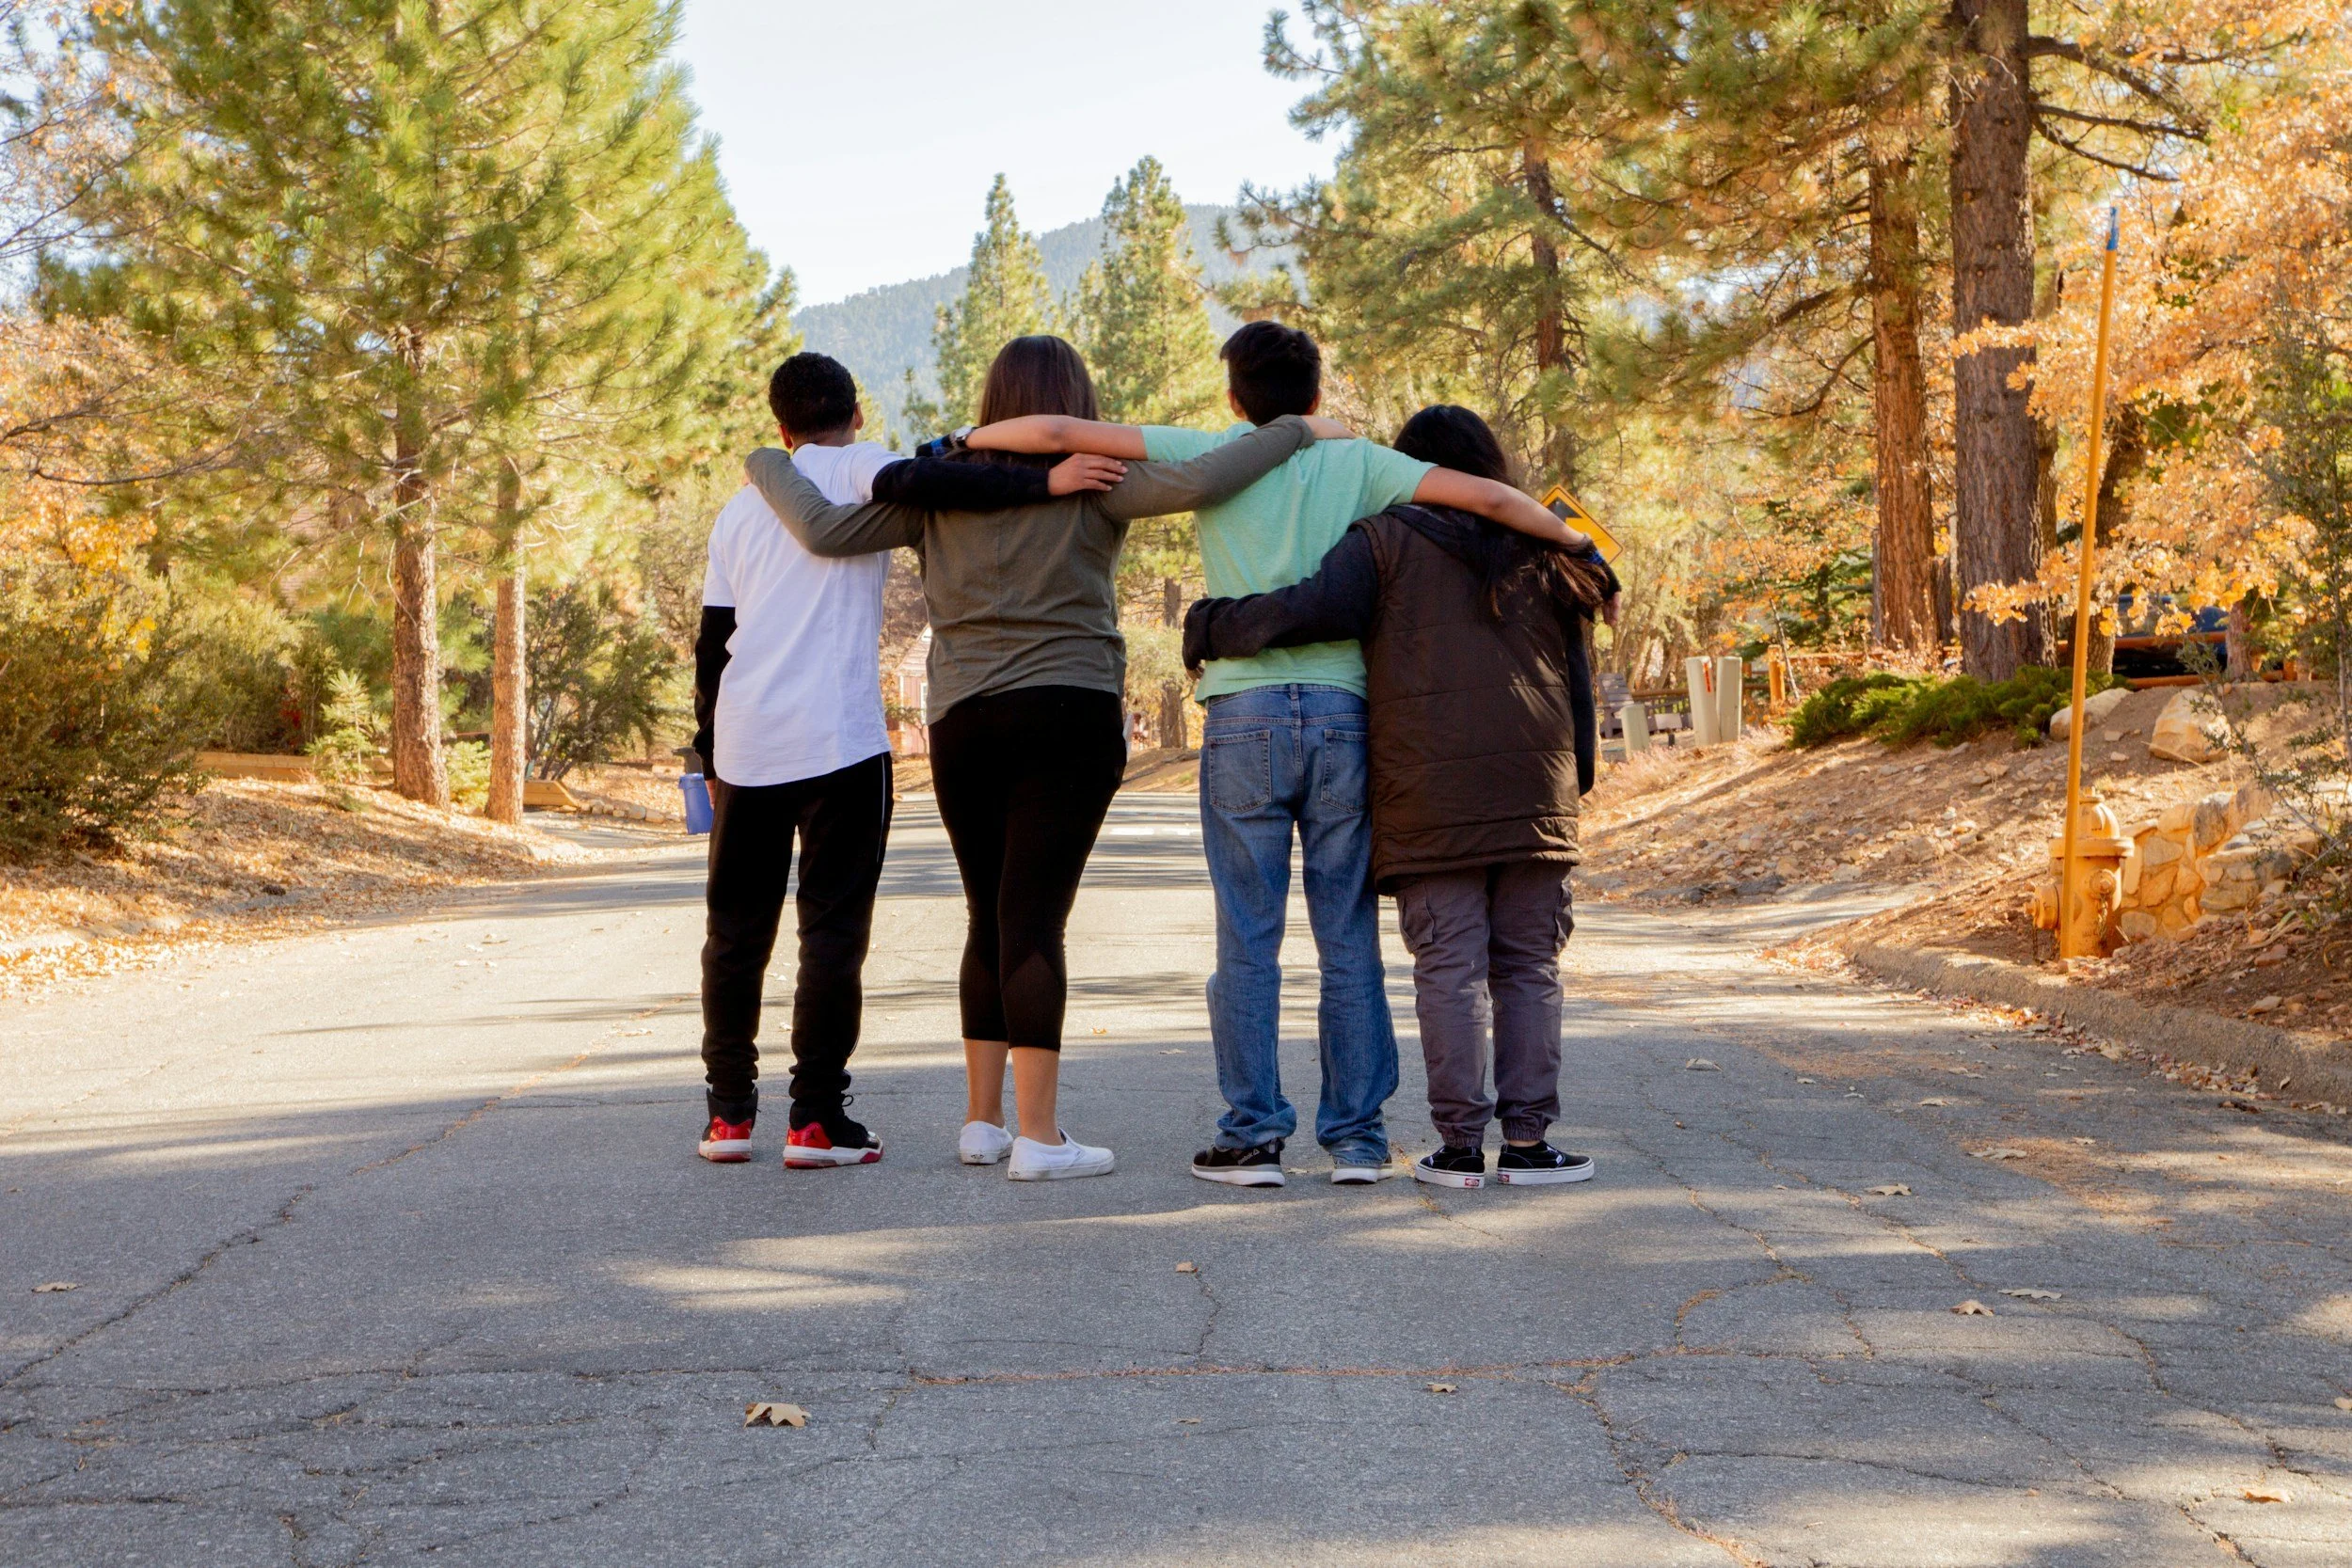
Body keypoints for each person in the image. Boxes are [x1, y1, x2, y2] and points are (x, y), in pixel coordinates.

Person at [953, 323, 1589, 1190]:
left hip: (1242, 715)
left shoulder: (1216, 451)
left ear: (1234, 399)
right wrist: (1575, 542)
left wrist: (966, 440)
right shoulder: (1362, 462)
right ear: (1318, 397)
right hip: (1343, 715)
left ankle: (1252, 1137)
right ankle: (1358, 1139)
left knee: (1246, 938)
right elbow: (1484, 498)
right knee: (1346, 935)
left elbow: (1058, 434)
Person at [744, 335, 1324, 1181]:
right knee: (1035, 921)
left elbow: (825, 530)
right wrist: (1297, 431)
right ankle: (1041, 1139)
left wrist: (769, 459)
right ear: (1071, 403)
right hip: (1069, 710)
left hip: (962, 719)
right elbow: (1208, 476)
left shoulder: (941, 488)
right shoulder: (1094, 474)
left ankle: (983, 1122)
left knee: (989, 914)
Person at [692, 352, 1121, 1169]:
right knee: (831, 932)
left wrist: (707, 748)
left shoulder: (739, 509)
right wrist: (1049, 483)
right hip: (841, 742)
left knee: (734, 933)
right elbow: (955, 486)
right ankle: (815, 1120)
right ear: (856, 413)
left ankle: (727, 1114)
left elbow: (713, 645)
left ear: (781, 427)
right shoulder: (866, 465)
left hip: (746, 740)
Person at [1181, 404, 1617, 1190]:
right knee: (1529, 965)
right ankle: (1527, 1143)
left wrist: (1211, 625)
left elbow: (1300, 611)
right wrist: (1574, 776)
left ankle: (1456, 1148)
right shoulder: (1548, 546)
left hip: (1430, 794)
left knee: (1449, 966)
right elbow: (1578, 673)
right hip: (1534, 794)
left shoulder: (1383, 544)